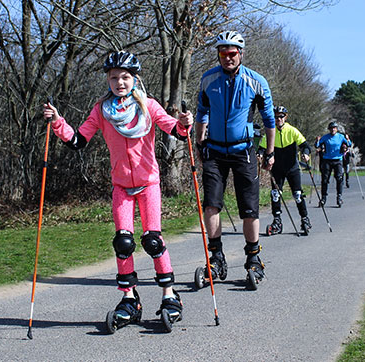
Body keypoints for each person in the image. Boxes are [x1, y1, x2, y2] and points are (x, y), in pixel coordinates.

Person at [42, 51, 193, 328]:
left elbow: (177, 132)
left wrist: (185, 123)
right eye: (114, 78)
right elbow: (78, 140)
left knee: (153, 241)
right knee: (123, 243)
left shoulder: (148, 105)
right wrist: (58, 123)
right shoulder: (101, 110)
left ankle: (170, 296)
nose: (120, 82)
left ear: (134, 79)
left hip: (148, 184)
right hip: (121, 186)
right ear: (108, 80)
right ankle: (129, 299)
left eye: (125, 77)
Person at [194, 31, 275, 287]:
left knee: (249, 209)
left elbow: (270, 120)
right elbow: (201, 114)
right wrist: (199, 143)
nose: (227, 57)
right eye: (222, 53)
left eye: (232, 53)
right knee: (211, 205)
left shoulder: (256, 81)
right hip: (215, 152)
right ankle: (216, 258)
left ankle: (253, 258)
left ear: (241, 53)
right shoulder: (208, 79)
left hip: (243, 151)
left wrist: (269, 152)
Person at [258, 106, 312, 235]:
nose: (278, 119)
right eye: (276, 117)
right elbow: (261, 147)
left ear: (285, 117)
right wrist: (260, 154)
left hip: (292, 168)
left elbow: (305, 146)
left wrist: (305, 154)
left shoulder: (292, 130)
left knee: (297, 195)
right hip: (277, 168)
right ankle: (277, 221)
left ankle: (305, 218)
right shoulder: (270, 132)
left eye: (281, 116)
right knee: (275, 194)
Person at [315, 121, 352, 207]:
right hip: (327, 160)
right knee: (324, 180)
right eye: (331, 128)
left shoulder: (340, 137)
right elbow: (317, 145)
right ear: (329, 129)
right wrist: (317, 141)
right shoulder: (325, 137)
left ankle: (339, 197)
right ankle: (323, 198)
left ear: (336, 129)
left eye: (334, 128)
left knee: (339, 178)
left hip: (338, 160)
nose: (333, 130)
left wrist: (348, 139)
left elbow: (348, 144)